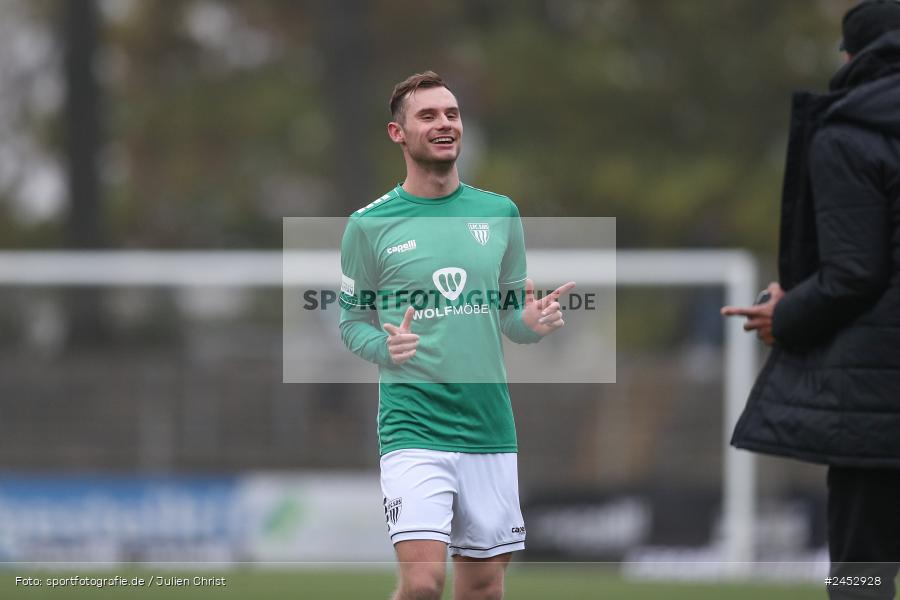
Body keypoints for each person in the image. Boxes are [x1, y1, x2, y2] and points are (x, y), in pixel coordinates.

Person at [338, 71, 575, 600]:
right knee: (423, 583)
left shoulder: (500, 213)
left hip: (490, 427)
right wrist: (384, 346)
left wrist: (531, 325)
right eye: (428, 116)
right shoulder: (368, 226)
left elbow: (511, 316)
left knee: (484, 588)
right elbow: (351, 323)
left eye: (452, 114)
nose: (444, 124)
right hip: (413, 426)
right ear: (398, 134)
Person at [721, 1, 900, 597]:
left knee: (862, 579)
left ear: (852, 57)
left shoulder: (850, 134)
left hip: (877, 414)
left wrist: (786, 312)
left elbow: (855, 273)